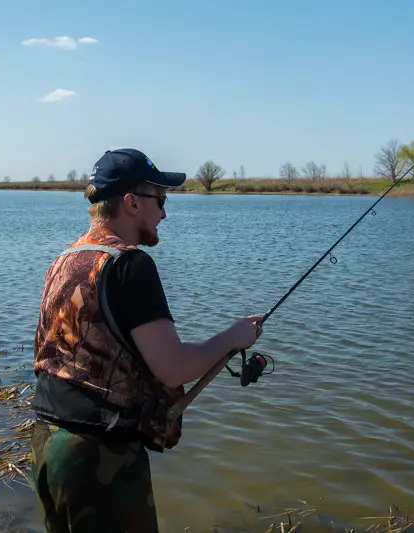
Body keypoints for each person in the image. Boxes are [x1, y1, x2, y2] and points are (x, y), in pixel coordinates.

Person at [29, 148, 264, 533]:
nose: (165, 213)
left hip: (45, 444)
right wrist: (233, 337)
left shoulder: (66, 258)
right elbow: (173, 370)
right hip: (98, 456)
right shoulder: (130, 265)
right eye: (160, 200)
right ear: (132, 203)